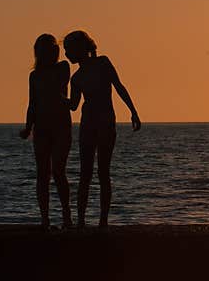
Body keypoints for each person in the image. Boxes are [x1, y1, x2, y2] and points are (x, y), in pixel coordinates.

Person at [63, 30, 141, 229]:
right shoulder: (76, 78)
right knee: (85, 173)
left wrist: (133, 111)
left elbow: (119, 86)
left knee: (103, 172)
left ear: (81, 48)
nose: (66, 54)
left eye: (69, 50)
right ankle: (81, 221)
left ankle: (103, 221)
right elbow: (73, 105)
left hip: (105, 121)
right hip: (88, 122)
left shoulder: (103, 63)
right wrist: (56, 96)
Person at [19, 34, 72, 230]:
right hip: (41, 127)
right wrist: (28, 126)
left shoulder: (63, 67)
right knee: (43, 174)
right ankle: (45, 219)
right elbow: (32, 103)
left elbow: (57, 87)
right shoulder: (34, 76)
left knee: (58, 171)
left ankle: (67, 215)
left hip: (60, 126)